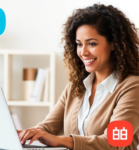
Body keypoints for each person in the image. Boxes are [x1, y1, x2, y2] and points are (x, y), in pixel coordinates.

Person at [17, 4, 139, 150]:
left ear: (114, 43)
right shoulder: (76, 85)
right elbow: (48, 127)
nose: (83, 52)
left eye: (92, 43)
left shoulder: (133, 87)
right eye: (79, 44)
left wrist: (61, 140)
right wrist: (27, 134)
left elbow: (114, 142)